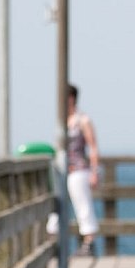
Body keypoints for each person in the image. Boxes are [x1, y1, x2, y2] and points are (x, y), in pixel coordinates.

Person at [47, 84, 101, 256]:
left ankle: (89, 244)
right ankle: (53, 243)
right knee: (56, 209)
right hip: (64, 172)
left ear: (71, 98)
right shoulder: (63, 121)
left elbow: (93, 147)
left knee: (83, 206)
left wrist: (94, 172)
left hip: (79, 170)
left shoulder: (82, 120)